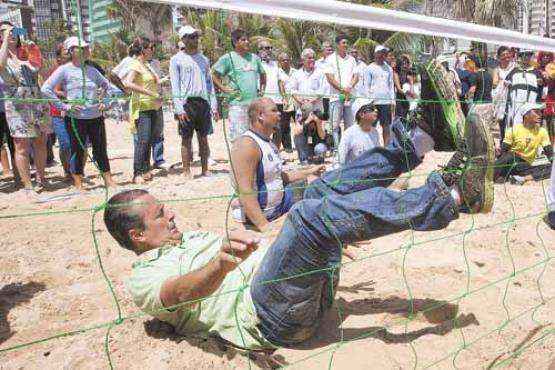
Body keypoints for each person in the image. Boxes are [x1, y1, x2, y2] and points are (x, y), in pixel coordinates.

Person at [104, 102, 494, 351]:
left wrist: (284, 235)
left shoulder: (191, 238)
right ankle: (453, 199)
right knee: (310, 216)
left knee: (317, 194)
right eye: (159, 215)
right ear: (137, 236)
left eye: (166, 209)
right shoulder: (145, 278)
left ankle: (419, 140)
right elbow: (177, 294)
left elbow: (266, 239)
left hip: (297, 284)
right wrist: (220, 266)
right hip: (272, 319)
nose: (171, 215)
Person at [230, 98, 325, 231]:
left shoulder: (269, 143)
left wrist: (310, 171)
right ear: (260, 116)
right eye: (274, 110)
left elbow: (280, 177)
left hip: (279, 206)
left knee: (317, 188)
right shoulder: (247, 145)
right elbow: (245, 191)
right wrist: (264, 227)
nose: (279, 114)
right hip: (262, 216)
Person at [41, 36, 122, 191]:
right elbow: (46, 89)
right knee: (78, 150)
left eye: (86, 47)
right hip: (76, 119)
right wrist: (64, 107)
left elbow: (111, 88)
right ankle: (78, 183)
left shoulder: (92, 70)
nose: (86, 50)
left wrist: (106, 103)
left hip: (96, 117)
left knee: (100, 149)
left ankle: (108, 180)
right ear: (72, 51)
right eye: (82, 47)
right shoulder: (64, 70)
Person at [0, 22, 50, 194]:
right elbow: (1, 65)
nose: (11, 34)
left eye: (13, 30)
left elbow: (38, 67)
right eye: (5, 31)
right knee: (21, 144)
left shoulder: (25, 52)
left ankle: (41, 179)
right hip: (17, 102)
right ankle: (27, 184)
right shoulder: (2, 54)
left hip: (36, 99)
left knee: (41, 140)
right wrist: (5, 39)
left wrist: (34, 49)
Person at [170, 26, 218, 179]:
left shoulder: (204, 59)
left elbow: (209, 84)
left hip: (203, 102)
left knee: (203, 138)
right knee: (186, 138)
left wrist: (214, 104)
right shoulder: (176, 59)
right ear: (183, 39)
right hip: (186, 103)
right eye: (191, 37)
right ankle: (186, 171)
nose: (195, 40)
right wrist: (179, 108)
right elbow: (175, 85)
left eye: (196, 36)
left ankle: (205, 169)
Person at [212, 29, 266, 142]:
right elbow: (213, 74)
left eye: (248, 40)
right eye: (243, 40)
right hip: (237, 104)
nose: (247, 42)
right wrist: (223, 88)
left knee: (255, 135)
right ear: (235, 42)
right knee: (238, 137)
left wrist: (262, 90)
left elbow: (263, 74)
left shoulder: (254, 58)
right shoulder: (228, 58)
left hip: (254, 104)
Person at [122, 37, 163, 184]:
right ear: (143, 50)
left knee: (149, 140)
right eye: (151, 47)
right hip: (142, 108)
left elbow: (155, 82)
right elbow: (128, 83)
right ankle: (137, 172)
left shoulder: (147, 65)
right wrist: (150, 93)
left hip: (152, 107)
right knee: (142, 141)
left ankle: (145, 169)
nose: (153, 50)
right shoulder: (136, 64)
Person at [494, 103, 553, 184]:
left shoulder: (542, 131)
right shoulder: (513, 129)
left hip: (526, 166)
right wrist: (497, 152)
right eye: (536, 112)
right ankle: (489, 176)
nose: (540, 114)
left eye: (540, 112)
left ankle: (522, 179)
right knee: (510, 155)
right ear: (526, 115)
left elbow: (549, 153)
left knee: (553, 168)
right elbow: (503, 151)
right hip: (511, 163)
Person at [324, 35, 359, 149]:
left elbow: (356, 76)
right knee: (334, 125)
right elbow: (330, 78)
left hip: (350, 96)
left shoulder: (352, 59)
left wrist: (349, 87)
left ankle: (348, 148)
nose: (346, 45)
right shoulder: (330, 59)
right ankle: (337, 149)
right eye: (344, 43)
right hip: (336, 97)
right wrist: (342, 89)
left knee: (350, 125)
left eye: (347, 42)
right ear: (337, 44)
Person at [45, 43, 72, 180]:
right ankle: (68, 171)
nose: (69, 53)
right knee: (65, 144)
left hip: (75, 111)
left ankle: (77, 170)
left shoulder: (76, 68)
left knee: (80, 144)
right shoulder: (56, 70)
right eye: (66, 51)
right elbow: (53, 90)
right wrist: (70, 94)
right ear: (59, 57)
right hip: (58, 112)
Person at [257, 41, 287, 150]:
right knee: (263, 128)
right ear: (259, 50)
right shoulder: (256, 64)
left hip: (277, 101)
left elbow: (281, 82)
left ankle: (275, 152)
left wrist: (284, 97)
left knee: (278, 129)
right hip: (263, 101)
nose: (268, 50)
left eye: (270, 48)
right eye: (265, 48)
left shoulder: (275, 65)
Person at [504, 50, 542, 137]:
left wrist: (539, 82)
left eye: (528, 55)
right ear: (520, 57)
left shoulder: (536, 72)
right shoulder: (514, 71)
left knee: (531, 127)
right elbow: (506, 83)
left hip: (531, 105)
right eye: (523, 55)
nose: (526, 57)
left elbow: (541, 86)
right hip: (516, 105)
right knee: (516, 125)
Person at [366, 45, 395, 145]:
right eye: (381, 52)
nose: (383, 55)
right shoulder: (369, 68)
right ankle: (372, 146)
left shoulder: (389, 69)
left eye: (384, 53)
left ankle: (386, 148)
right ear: (376, 54)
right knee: (371, 126)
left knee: (386, 126)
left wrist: (392, 101)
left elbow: (391, 85)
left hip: (386, 102)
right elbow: (366, 86)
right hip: (373, 102)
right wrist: (368, 101)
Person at [338, 99, 381, 166]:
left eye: (375, 107)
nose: (376, 110)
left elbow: (378, 156)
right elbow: (341, 161)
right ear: (362, 114)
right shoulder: (349, 134)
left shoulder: (375, 132)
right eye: (371, 108)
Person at [492, 46, 515, 142]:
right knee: (502, 121)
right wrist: (502, 82)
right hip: (502, 99)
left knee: (513, 121)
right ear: (499, 57)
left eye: (507, 54)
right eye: (503, 55)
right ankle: (503, 144)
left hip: (513, 96)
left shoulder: (515, 67)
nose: (506, 57)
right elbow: (494, 84)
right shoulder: (497, 69)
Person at [275, 52, 296, 152]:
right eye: (283, 60)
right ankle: (288, 146)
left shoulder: (295, 72)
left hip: (296, 100)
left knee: (299, 122)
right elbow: (281, 85)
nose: (286, 61)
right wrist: (285, 98)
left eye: (287, 59)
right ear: (280, 62)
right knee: (285, 124)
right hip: (285, 101)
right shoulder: (278, 72)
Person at [468, 54, 494, 133]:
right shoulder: (489, 75)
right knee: (487, 128)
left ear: (475, 64)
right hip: (489, 103)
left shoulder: (475, 75)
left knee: (476, 128)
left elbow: (473, 89)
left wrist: (467, 95)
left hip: (479, 104)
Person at [315, 41, 334, 120]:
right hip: (322, 95)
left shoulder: (336, 62)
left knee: (334, 118)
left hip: (334, 94)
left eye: (331, 50)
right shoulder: (317, 63)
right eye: (328, 50)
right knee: (322, 118)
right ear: (323, 51)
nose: (330, 52)